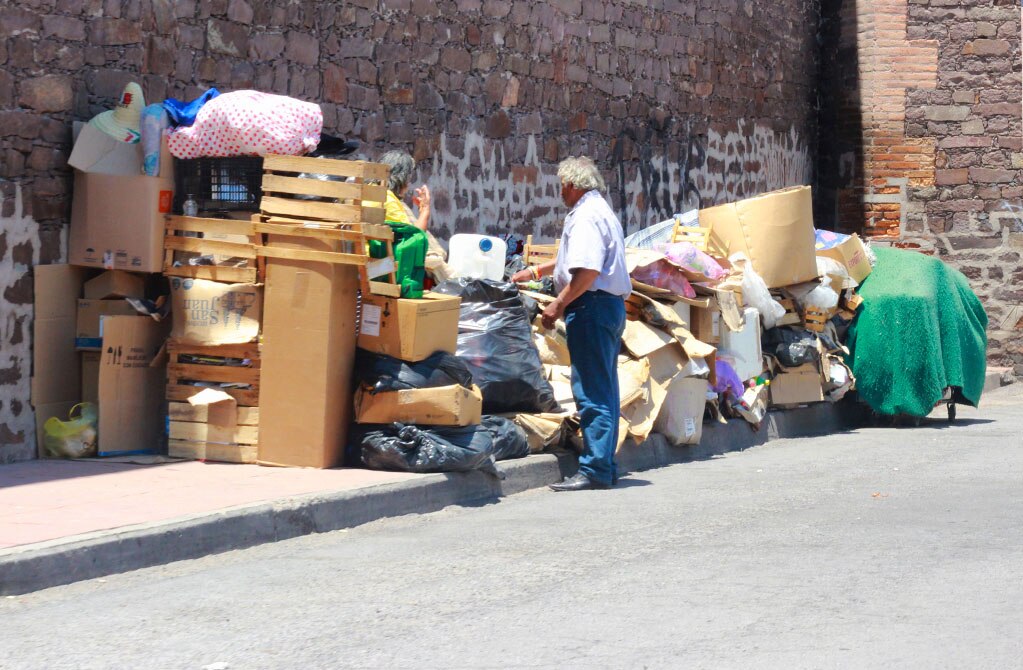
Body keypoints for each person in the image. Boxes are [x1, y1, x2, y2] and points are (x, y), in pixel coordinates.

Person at [511, 157, 631, 491]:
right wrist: (536, 271)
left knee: (592, 390)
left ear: (573, 185)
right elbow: (572, 258)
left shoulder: (586, 217)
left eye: (562, 185)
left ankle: (595, 469)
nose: (560, 191)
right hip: (606, 306)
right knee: (603, 389)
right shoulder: (599, 210)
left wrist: (558, 305)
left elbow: (588, 271)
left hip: (591, 307)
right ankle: (604, 465)